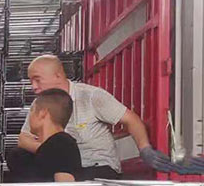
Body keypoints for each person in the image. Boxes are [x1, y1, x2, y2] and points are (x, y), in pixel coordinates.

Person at [16, 55, 181, 179]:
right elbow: (24, 139)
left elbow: (131, 120)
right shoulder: (40, 104)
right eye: (31, 81)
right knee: (19, 156)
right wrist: (55, 153)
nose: (34, 87)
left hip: (96, 166)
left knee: (67, 170)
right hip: (66, 168)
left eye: (37, 80)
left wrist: (145, 149)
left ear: (58, 75)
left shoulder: (91, 96)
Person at [18, 89, 83, 182]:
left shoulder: (63, 143)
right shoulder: (50, 146)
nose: (29, 117)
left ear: (42, 114)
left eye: (32, 111)